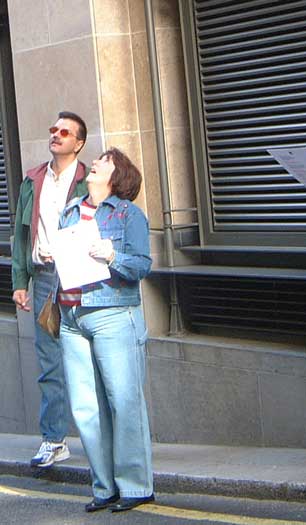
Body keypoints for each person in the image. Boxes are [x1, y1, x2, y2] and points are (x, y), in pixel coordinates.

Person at [57, 148, 153, 513]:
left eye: (104, 160)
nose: (95, 163)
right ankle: (104, 487)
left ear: (118, 175)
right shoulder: (70, 210)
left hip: (112, 313)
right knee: (86, 408)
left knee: (123, 401)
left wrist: (111, 256)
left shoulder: (129, 214)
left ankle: (135, 485)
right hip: (71, 317)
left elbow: (142, 265)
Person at [11, 111, 88, 468]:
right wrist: (20, 282)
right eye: (53, 129)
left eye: (64, 132)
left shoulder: (89, 181)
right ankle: (54, 440)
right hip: (43, 279)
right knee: (49, 364)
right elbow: (22, 235)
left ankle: (105, 437)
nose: (56, 135)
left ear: (78, 143)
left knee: (91, 358)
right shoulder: (33, 180)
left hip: (80, 278)